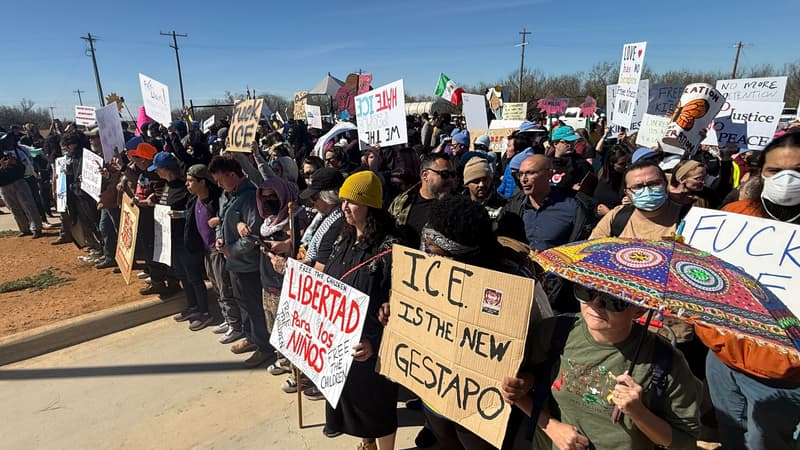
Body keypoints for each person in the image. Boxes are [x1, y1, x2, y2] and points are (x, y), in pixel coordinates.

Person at [502, 283, 703, 450]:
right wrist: (549, 425)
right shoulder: (556, 332)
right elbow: (516, 382)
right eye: (587, 290)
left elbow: (684, 442)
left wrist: (639, 413)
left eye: (614, 299)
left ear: (639, 309)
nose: (596, 303)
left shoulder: (665, 360)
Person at [706, 131, 800, 450]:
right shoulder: (735, 215)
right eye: (775, 171)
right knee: (729, 432)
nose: (787, 179)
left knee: (764, 442)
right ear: (761, 173)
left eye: (798, 171)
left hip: (781, 375)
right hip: (722, 356)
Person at [322, 170, 401, 450]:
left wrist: (376, 341)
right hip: (344, 342)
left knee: (377, 406)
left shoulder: (391, 247)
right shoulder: (342, 239)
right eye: (342, 201)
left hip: (373, 343)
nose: (344, 207)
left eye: (352, 202)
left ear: (370, 205)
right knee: (355, 401)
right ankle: (368, 443)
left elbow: (402, 302)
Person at [209, 155, 270, 368]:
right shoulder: (227, 196)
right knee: (243, 303)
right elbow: (220, 219)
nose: (218, 184)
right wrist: (219, 236)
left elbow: (253, 238)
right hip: (233, 262)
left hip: (248, 264)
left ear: (233, 175)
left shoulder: (251, 197)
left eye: (220, 179)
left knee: (254, 306)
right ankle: (251, 337)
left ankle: (264, 347)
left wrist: (230, 250)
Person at [149, 153, 211, 331]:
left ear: (166, 169)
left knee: (194, 277)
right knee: (182, 275)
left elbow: (195, 209)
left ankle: (204, 312)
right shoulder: (167, 187)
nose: (156, 173)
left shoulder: (185, 188)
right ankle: (192, 307)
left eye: (158, 169)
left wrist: (181, 215)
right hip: (172, 239)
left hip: (186, 239)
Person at [184, 164, 244, 342]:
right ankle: (227, 318)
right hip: (205, 251)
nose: (187, 185)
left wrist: (219, 221)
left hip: (217, 250)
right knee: (217, 288)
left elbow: (227, 218)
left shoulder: (215, 201)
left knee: (225, 287)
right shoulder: (195, 201)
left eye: (190, 181)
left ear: (202, 182)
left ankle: (236, 325)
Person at [500, 155, 588, 251]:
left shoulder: (573, 208)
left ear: (549, 174)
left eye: (530, 173)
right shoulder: (513, 207)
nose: (524, 179)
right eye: (520, 174)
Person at [388, 153, 456, 243]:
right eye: (445, 174)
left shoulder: (457, 207)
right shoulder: (402, 201)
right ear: (425, 175)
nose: (450, 179)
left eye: (453, 174)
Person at [0, 130, 42, 238]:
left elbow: (23, 167)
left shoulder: (17, 151)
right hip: (4, 185)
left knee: (28, 205)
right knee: (14, 208)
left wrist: (14, 163)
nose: (8, 142)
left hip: (18, 181)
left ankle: (36, 228)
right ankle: (24, 228)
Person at [462, 156, 506, 230]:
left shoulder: (503, 204)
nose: (481, 184)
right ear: (467, 183)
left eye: (485, 179)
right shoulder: (460, 204)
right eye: (476, 181)